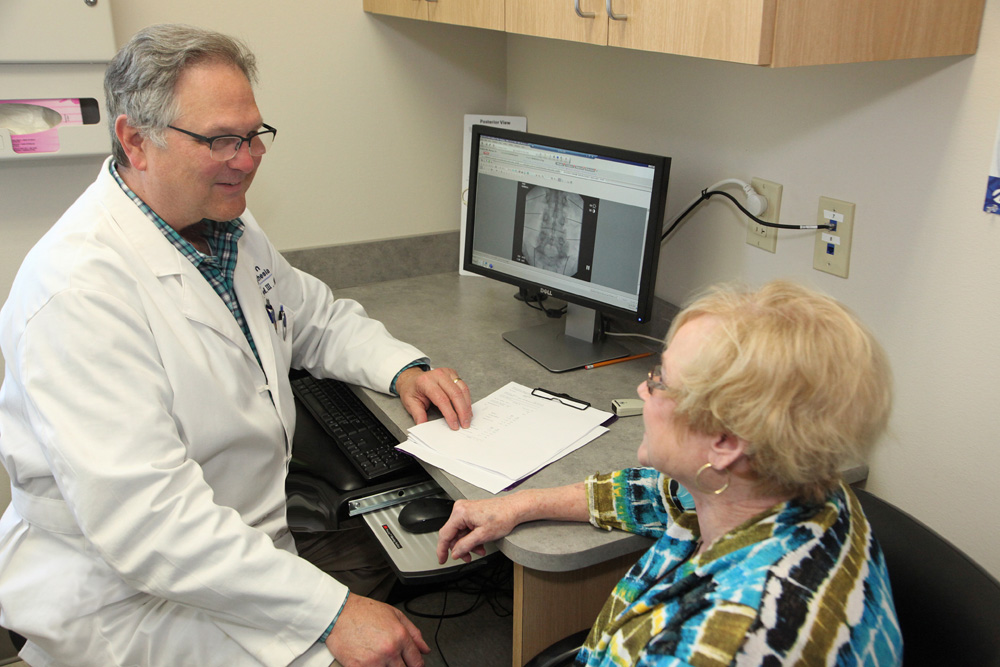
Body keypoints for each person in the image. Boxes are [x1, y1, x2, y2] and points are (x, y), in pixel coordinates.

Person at [0, 24, 472, 667]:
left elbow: (310, 316)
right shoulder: (78, 292)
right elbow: (150, 523)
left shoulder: (222, 223)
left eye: (254, 135)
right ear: (135, 140)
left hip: (233, 559)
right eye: (221, 139)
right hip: (128, 600)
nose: (247, 158)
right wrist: (333, 612)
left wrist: (401, 369)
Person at [437, 280, 903, 665]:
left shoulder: (723, 645)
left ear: (724, 442)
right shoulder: (791, 487)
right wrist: (520, 504)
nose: (641, 389)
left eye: (659, 381)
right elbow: (655, 495)